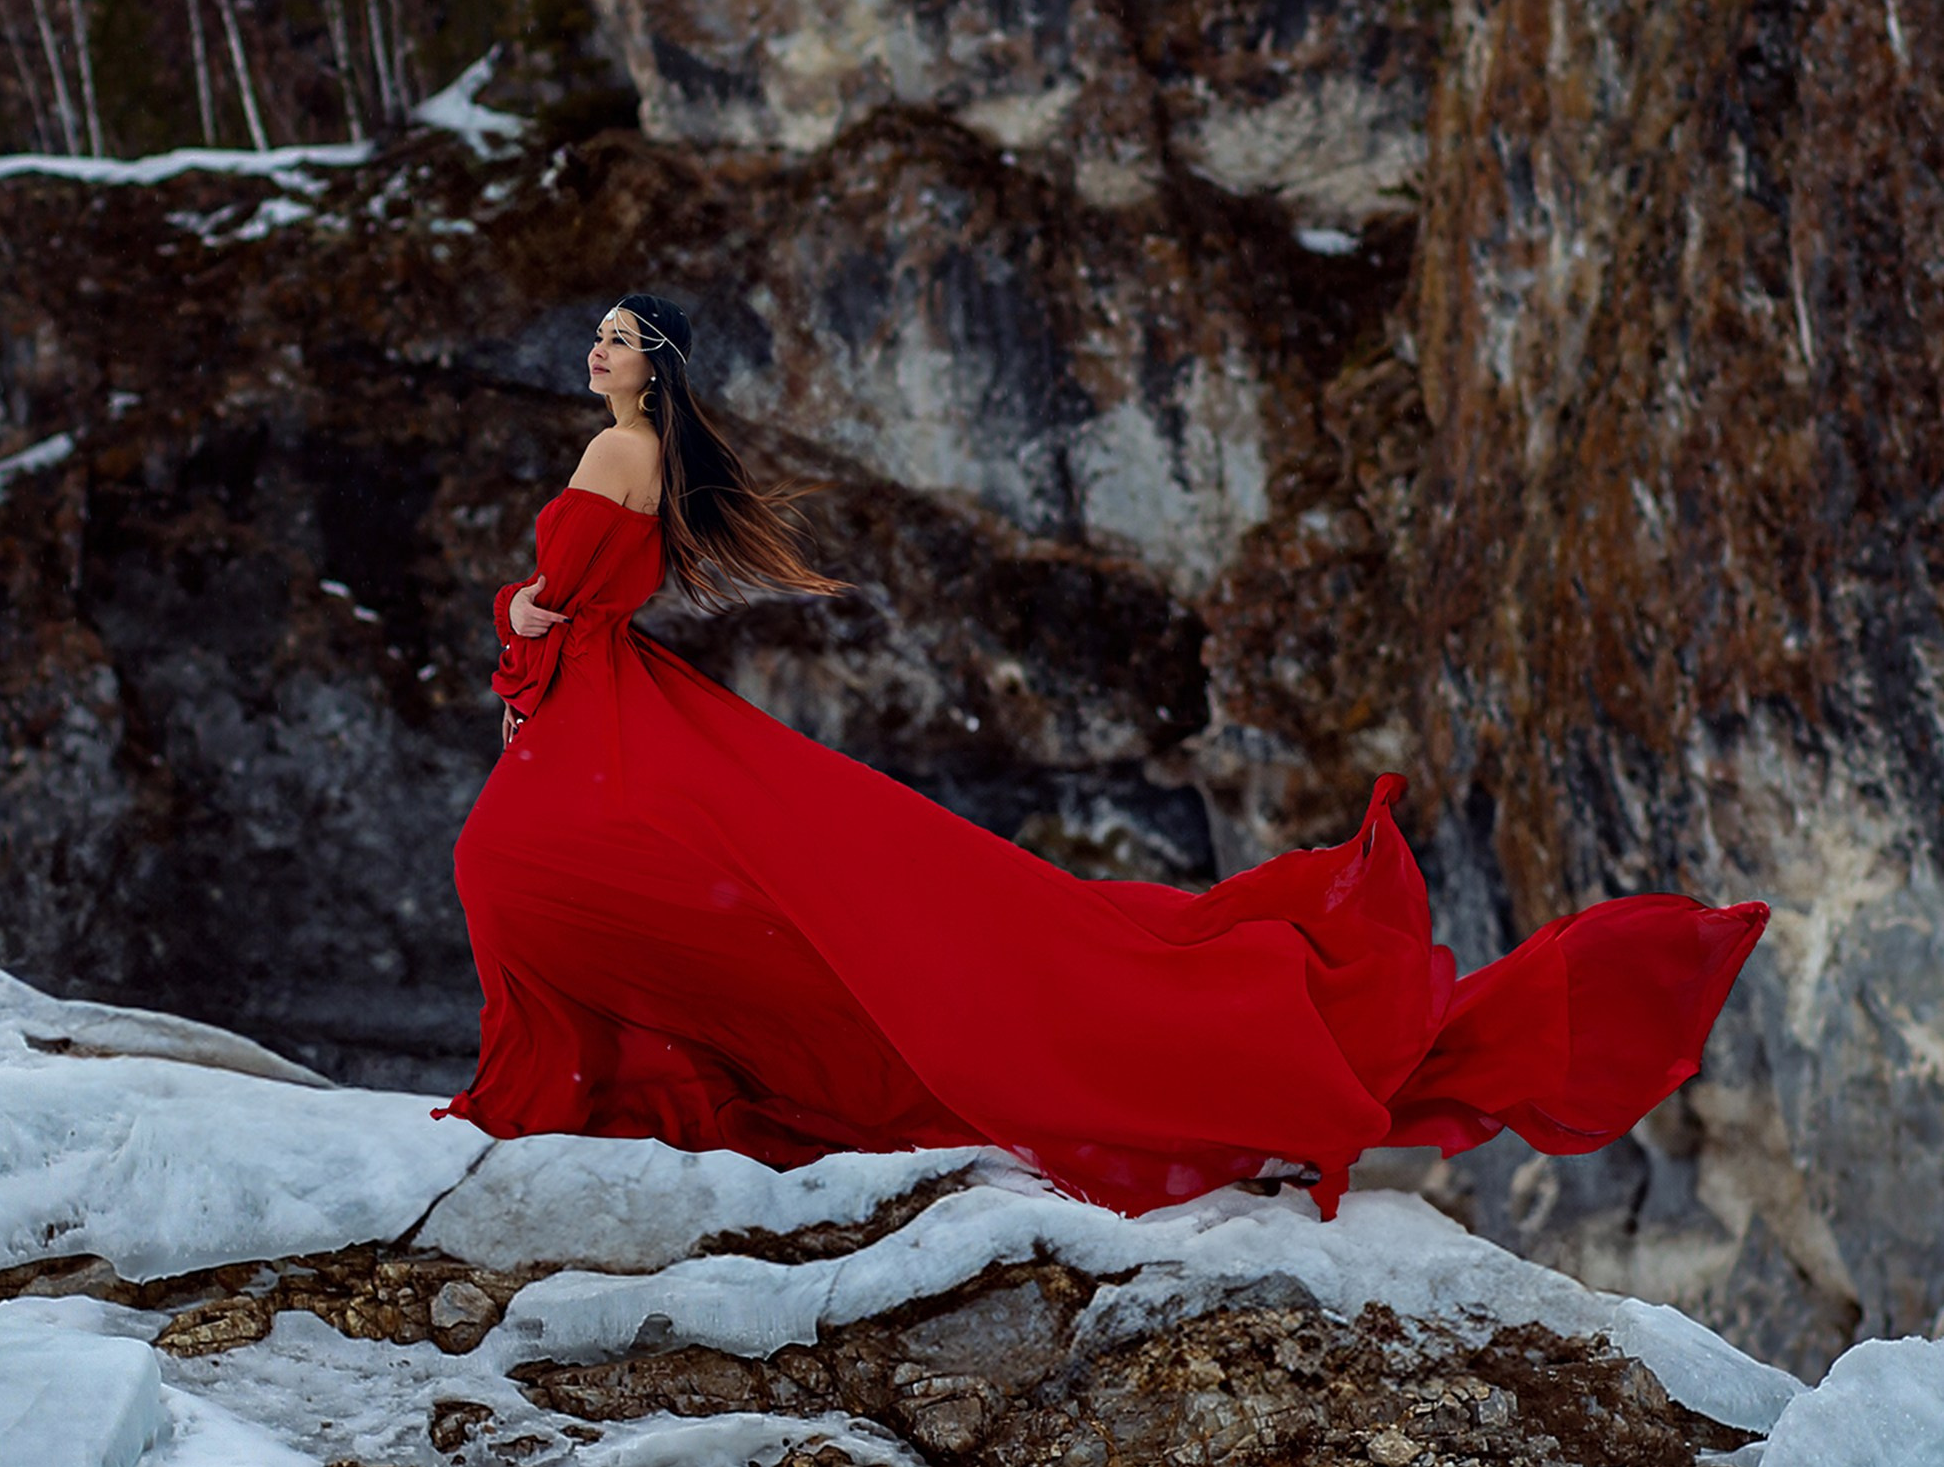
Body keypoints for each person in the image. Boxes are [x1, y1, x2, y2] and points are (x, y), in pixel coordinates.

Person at [441, 295, 1767, 1216]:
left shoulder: (619, 448)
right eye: (599, 339)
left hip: (601, 692)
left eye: (618, 341)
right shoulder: (637, 448)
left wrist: (518, 616)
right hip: (605, 698)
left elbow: (560, 597)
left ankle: (598, 1072)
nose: (598, 355)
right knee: (619, 882)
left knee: (547, 872)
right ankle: (616, 1070)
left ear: (653, 365)